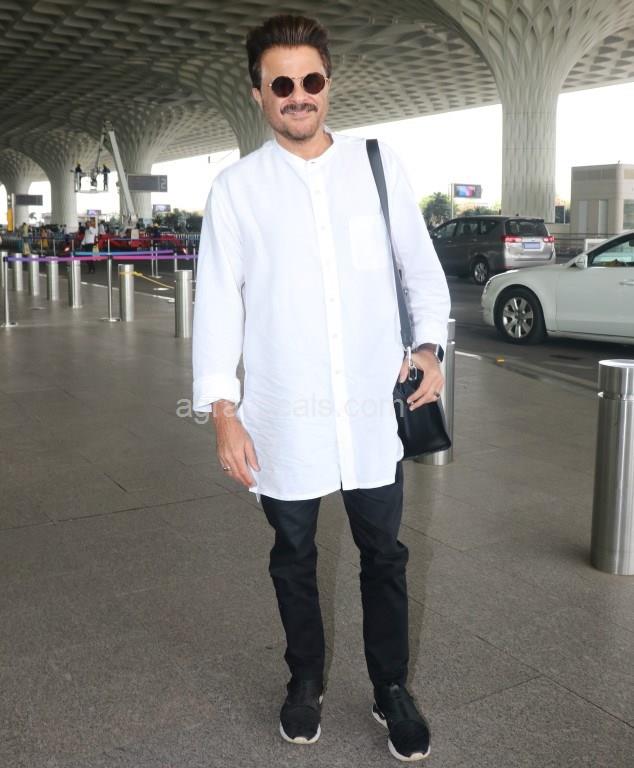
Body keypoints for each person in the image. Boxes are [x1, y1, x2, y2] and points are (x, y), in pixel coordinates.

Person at [192, 14, 450, 764]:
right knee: (293, 555)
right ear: (259, 94)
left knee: (385, 554)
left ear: (328, 83)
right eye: (282, 84)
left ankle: (391, 687)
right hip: (284, 415)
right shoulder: (236, 189)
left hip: (372, 412)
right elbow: (219, 306)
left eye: (310, 80)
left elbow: (420, 270)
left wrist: (429, 348)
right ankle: (304, 679)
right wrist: (223, 415)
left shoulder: (376, 163)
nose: (298, 95)